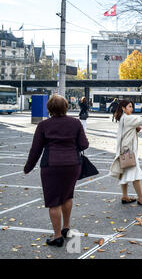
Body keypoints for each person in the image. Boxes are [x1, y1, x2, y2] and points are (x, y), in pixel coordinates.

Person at [23, 95, 89, 247]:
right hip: (73, 165)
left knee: (54, 201)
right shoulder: (75, 123)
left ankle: (57, 236)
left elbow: (35, 150)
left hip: (51, 166)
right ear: (66, 107)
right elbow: (84, 145)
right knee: (67, 196)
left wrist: (28, 168)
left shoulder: (43, 125)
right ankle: (66, 228)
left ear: (49, 109)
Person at [109, 100, 142, 205]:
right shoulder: (128, 118)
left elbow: (128, 129)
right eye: (129, 106)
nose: (131, 108)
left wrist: (134, 130)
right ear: (123, 108)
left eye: (132, 106)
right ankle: (141, 199)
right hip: (128, 152)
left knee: (124, 174)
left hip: (123, 150)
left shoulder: (123, 118)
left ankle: (125, 196)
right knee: (136, 175)